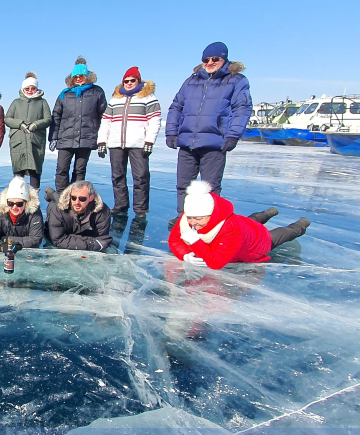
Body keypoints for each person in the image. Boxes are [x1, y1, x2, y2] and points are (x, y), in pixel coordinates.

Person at [165, 42, 252, 216]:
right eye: (206, 59)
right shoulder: (192, 80)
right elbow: (176, 106)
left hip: (215, 142)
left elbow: (242, 108)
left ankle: (208, 221)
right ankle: (183, 217)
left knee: (210, 187)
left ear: (224, 59)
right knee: (184, 186)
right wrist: (172, 132)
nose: (210, 62)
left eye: (215, 59)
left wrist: (232, 135)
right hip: (188, 142)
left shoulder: (236, 80)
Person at [168, 180, 310, 270]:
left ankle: (300, 225)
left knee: (279, 234)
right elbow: (174, 240)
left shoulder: (230, 229)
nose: (192, 223)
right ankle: (268, 213)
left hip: (255, 241)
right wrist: (185, 255)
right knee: (251, 220)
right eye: (190, 217)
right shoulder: (188, 218)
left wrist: (195, 241)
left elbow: (216, 262)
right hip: (243, 225)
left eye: (198, 218)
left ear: (212, 214)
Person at [99, 67, 161, 218]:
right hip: (116, 142)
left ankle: (140, 208)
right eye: (126, 81)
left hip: (138, 143)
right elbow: (106, 121)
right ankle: (121, 204)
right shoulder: (116, 99)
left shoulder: (148, 98)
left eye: (132, 80)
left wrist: (149, 141)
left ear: (138, 81)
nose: (129, 83)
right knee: (117, 175)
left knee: (141, 176)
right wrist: (101, 142)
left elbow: (155, 120)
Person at [50, 57, 107, 193]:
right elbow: (56, 116)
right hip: (66, 137)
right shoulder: (65, 94)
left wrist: (102, 140)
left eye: (81, 76)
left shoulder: (97, 92)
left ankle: (76, 195)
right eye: (76, 76)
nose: (79, 78)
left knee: (80, 170)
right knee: (62, 169)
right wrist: (53, 136)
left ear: (87, 76)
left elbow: (104, 116)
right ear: (72, 78)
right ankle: (62, 196)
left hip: (87, 137)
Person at [4, 72, 52, 189]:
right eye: (27, 88)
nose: (30, 90)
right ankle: (17, 199)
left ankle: (34, 202)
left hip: (35, 141)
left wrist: (36, 124)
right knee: (18, 171)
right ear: (23, 89)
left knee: (35, 170)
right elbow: (7, 119)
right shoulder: (16, 102)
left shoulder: (42, 102)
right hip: (18, 141)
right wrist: (19, 124)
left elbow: (48, 119)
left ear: (36, 88)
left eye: (33, 88)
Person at [46, 180, 112, 252]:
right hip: (58, 207)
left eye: (82, 199)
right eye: (73, 198)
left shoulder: (103, 212)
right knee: (58, 200)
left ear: (91, 198)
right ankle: (53, 194)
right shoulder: (57, 210)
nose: (77, 202)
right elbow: (58, 240)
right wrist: (89, 242)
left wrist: (69, 237)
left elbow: (102, 241)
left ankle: (52, 193)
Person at [0, 176, 44, 252]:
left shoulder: (34, 214)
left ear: (26, 203)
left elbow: (36, 239)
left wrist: (7, 240)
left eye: (19, 204)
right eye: (10, 203)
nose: (14, 207)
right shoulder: (0, 211)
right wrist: (1, 246)